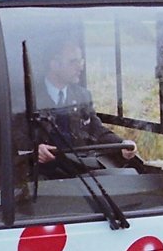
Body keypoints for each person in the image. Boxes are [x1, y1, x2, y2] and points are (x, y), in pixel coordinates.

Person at [35, 39, 137, 174]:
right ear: (54, 64)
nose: (80, 67)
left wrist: (122, 144)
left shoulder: (82, 96)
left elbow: (96, 129)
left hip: (79, 174)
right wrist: (35, 149)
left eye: (81, 61)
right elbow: (17, 138)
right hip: (42, 178)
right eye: (73, 61)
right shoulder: (29, 98)